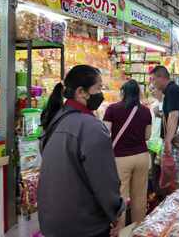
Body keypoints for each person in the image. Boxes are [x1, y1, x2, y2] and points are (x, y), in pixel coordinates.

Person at [38, 65, 124, 237]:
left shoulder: (56, 119)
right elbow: (104, 181)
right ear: (81, 92)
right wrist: (116, 212)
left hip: (52, 221)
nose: (102, 93)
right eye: (98, 88)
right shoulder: (91, 127)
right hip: (83, 225)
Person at [103, 80, 152, 229]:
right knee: (139, 197)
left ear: (122, 92)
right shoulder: (145, 111)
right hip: (142, 157)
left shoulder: (112, 109)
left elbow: (105, 133)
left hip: (120, 158)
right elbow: (147, 136)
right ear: (138, 93)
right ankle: (138, 230)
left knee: (121, 199)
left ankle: (121, 231)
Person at [150, 66, 179, 186]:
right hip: (177, 137)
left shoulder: (172, 90)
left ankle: (176, 200)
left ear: (161, 77)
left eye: (154, 79)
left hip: (175, 139)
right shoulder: (171, 90)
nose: (153, 83)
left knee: (173, 174)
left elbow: (174, 115)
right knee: (173, 172)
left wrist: (168, 140)